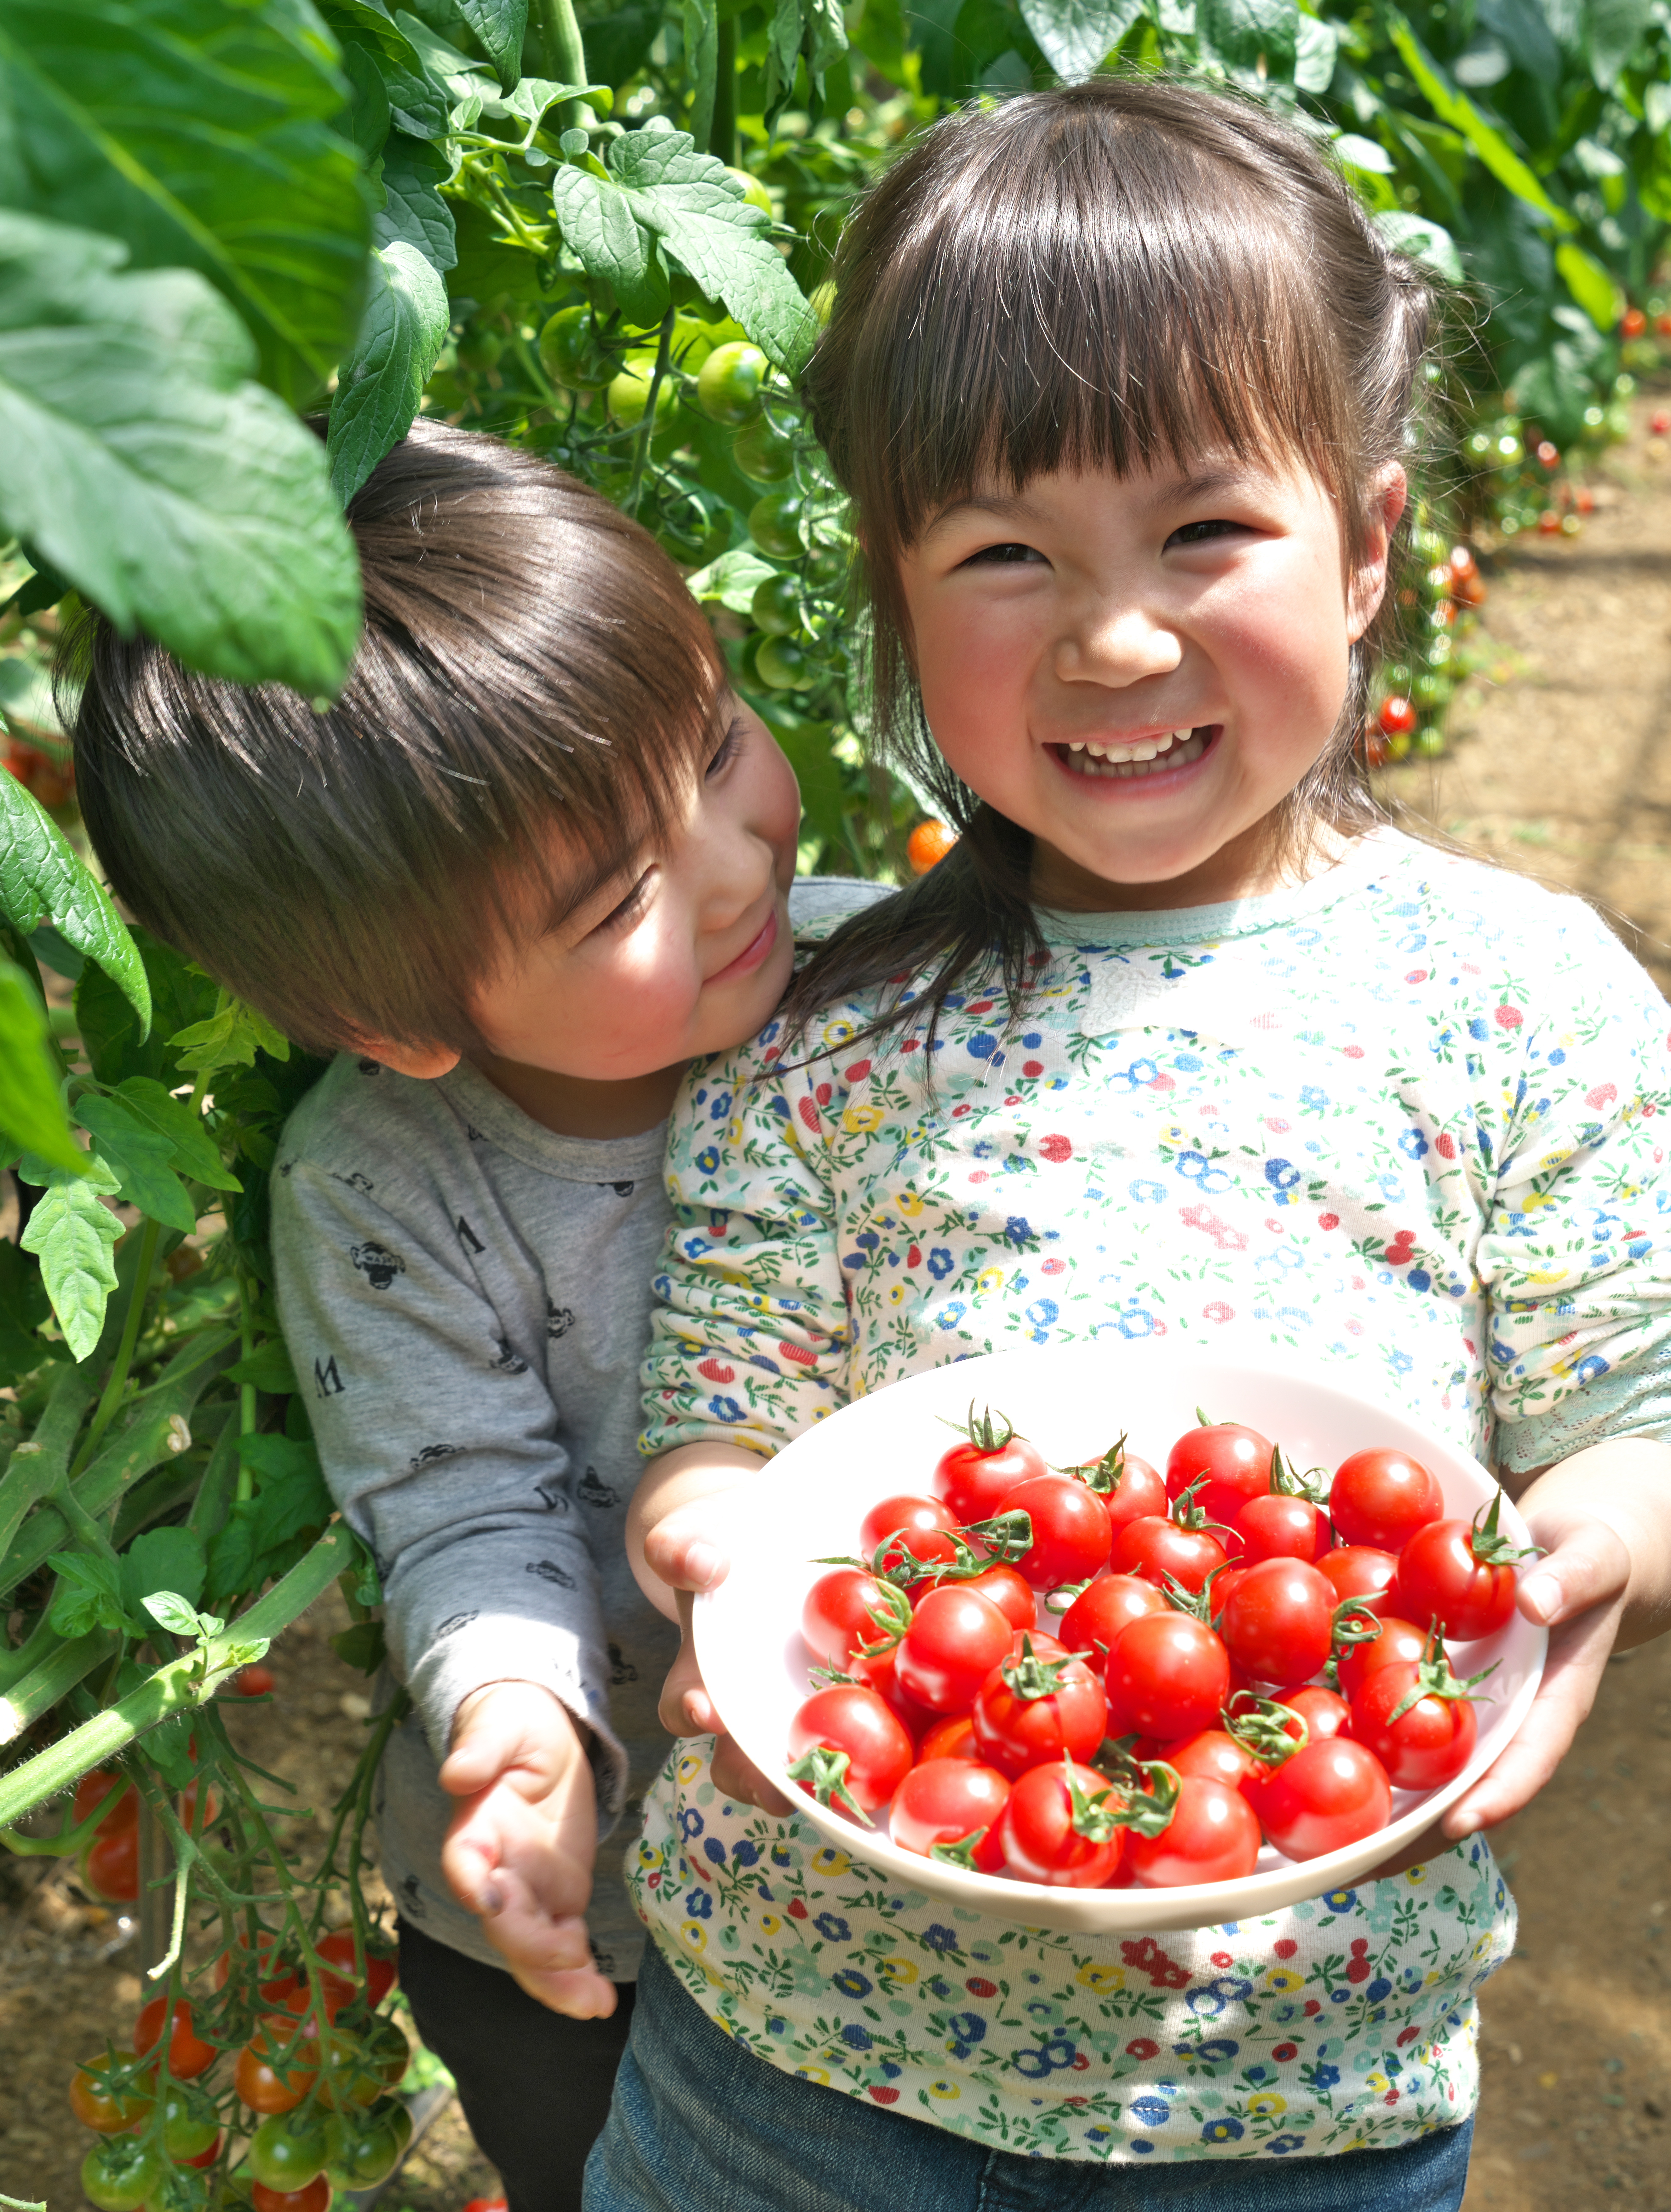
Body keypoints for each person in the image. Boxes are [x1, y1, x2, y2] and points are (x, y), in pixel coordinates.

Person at [602, 77, 1671, 2212]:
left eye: (1206, 533)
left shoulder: (1518, 1002)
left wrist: (1587, 1550)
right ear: (897, 605)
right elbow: (718, 1420)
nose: (1111, 636)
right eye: (1004, 555)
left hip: (1301, 2087)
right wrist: (716, 1548)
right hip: (797, 2062)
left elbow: (1625, 1407)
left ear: (1367, 550)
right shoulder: (827, 1034)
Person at [66, 420, 885, 2212]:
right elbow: (460, 1501)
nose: (737, 860)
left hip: (909, 1853)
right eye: (617, 900)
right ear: (409, 1025)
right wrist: (516, 1724)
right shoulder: (385, 1181)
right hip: (596, 1889)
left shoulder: (908, 996)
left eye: (718, 738)